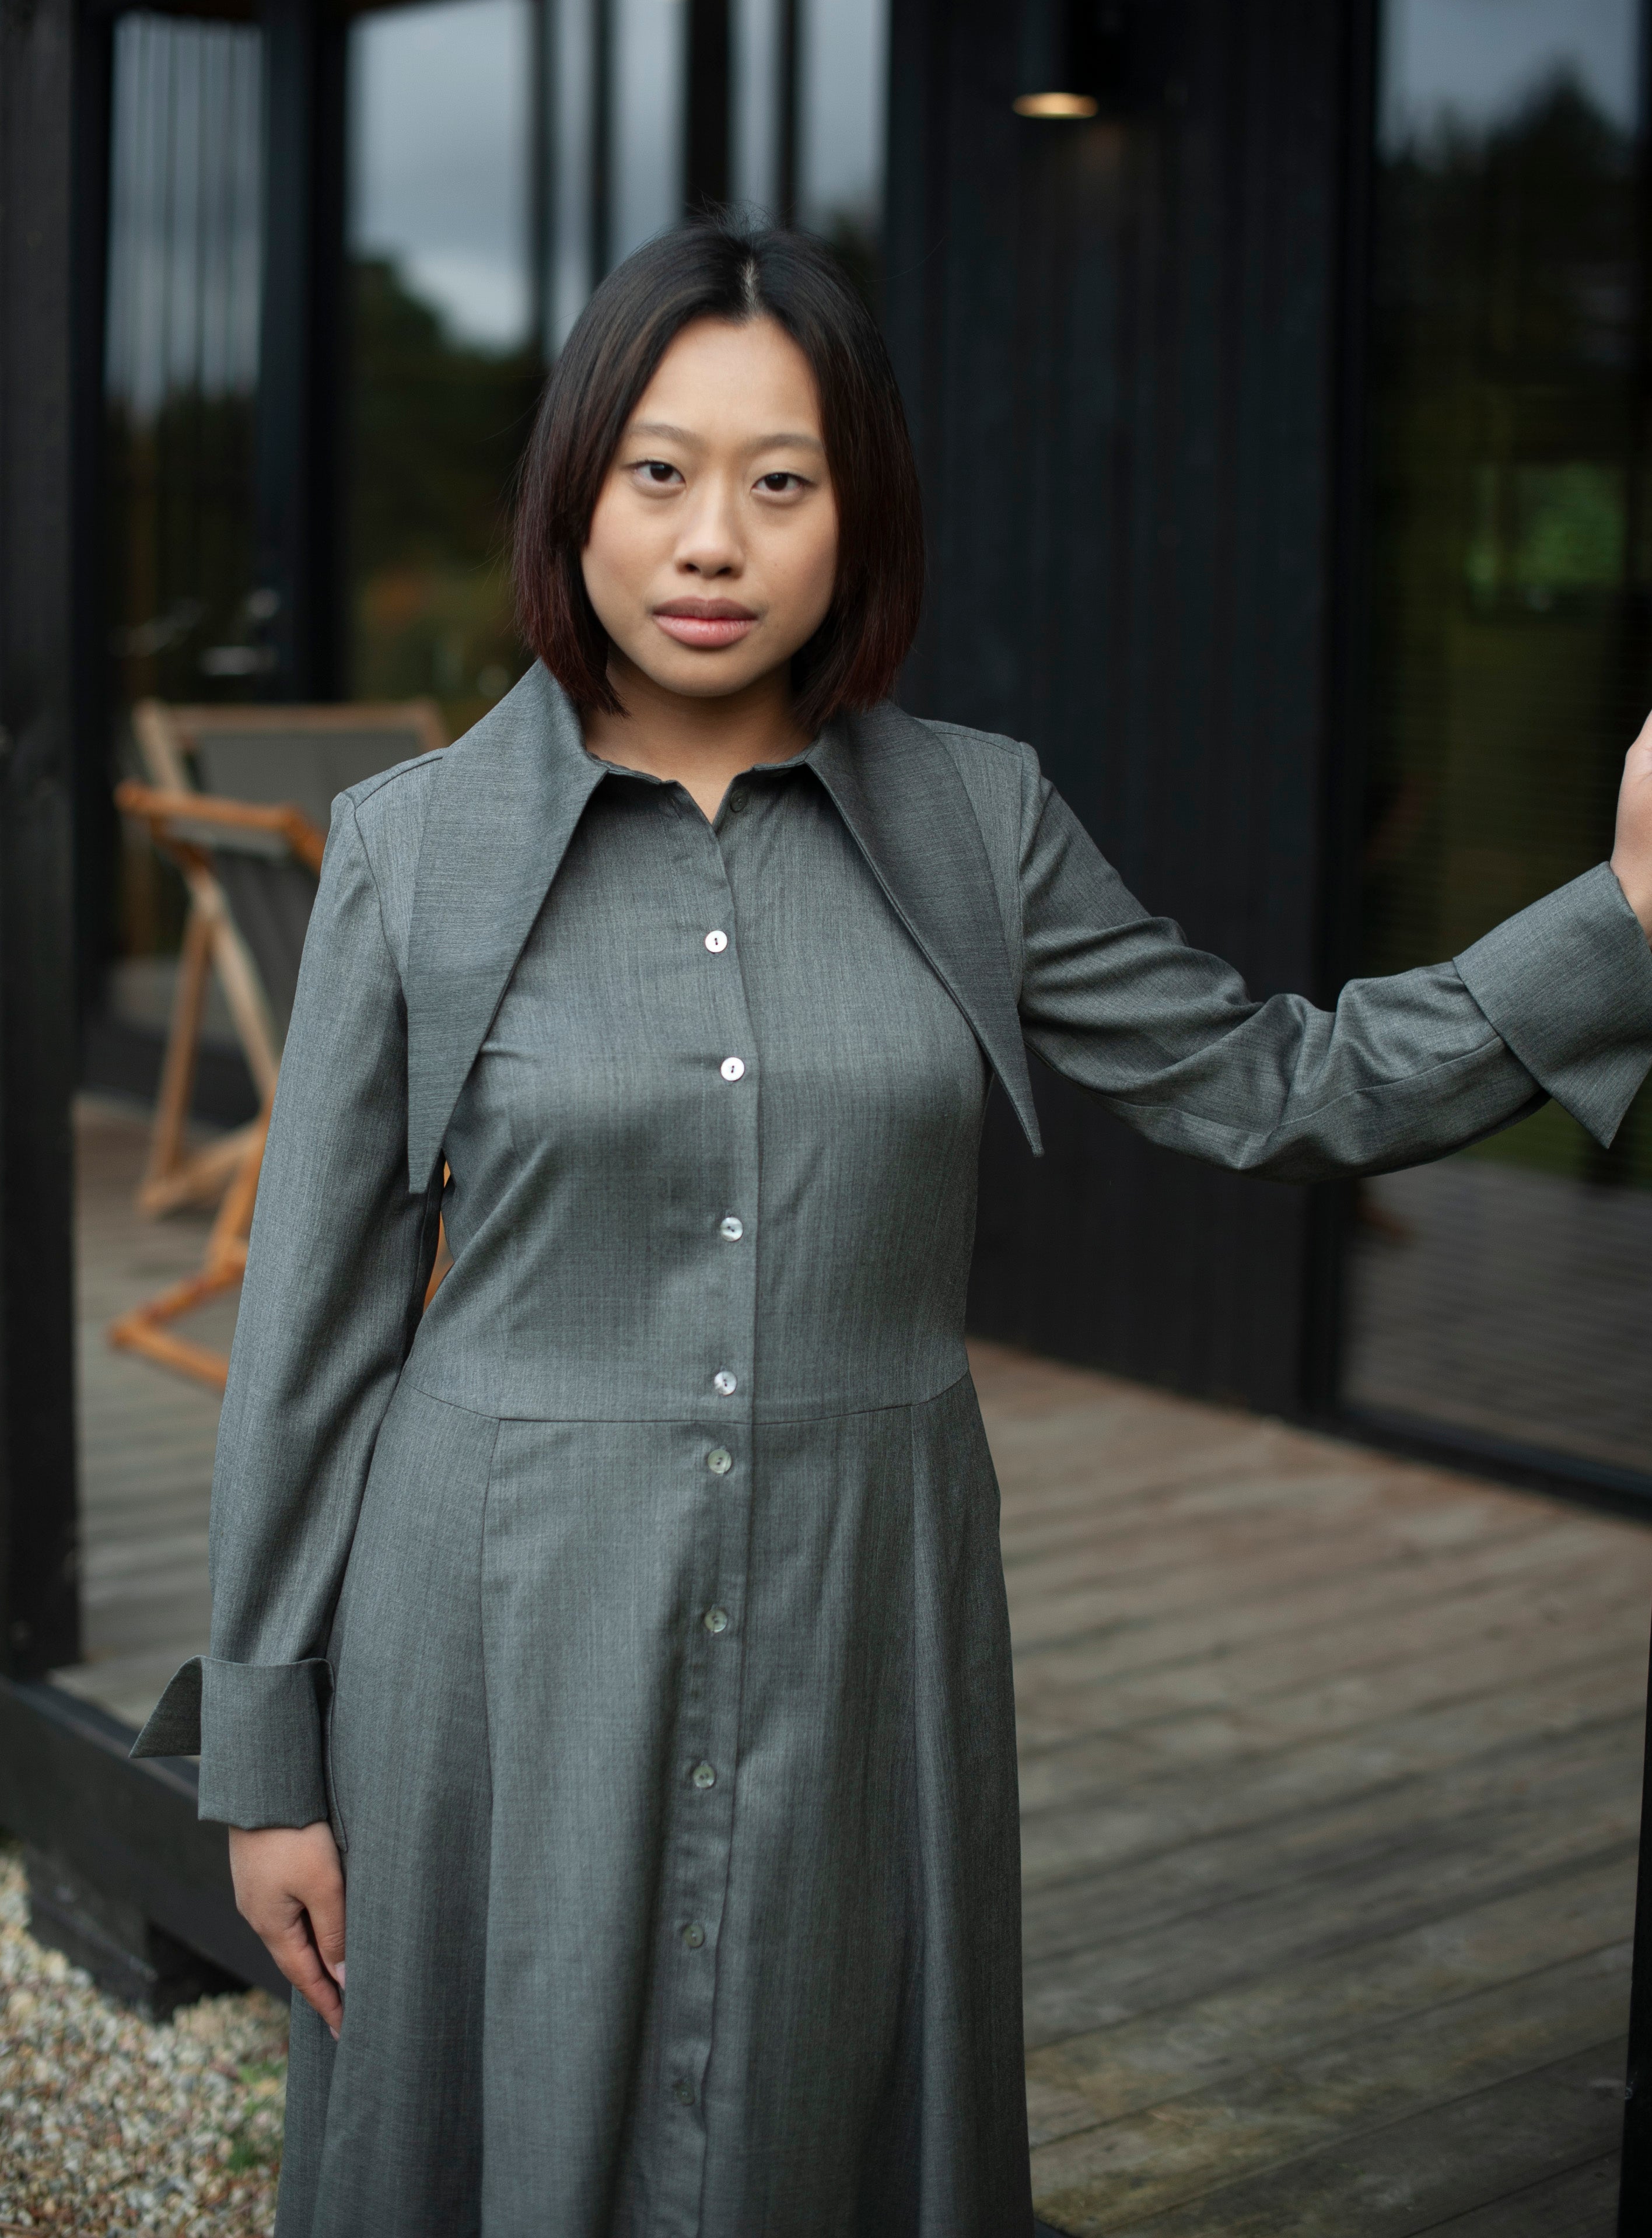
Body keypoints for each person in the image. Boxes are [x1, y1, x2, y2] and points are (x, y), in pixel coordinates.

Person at [134, 214, 1652, 2238]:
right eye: (659, 473)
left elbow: (1282, 1084)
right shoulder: (414, 855)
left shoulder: (977, 823)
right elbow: (309, 1339)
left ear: (858, 518)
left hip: (866, 1624)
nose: (712, 541)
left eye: (783, 482)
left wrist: (1625, 922)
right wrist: (267, 1768)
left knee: (821, 2117)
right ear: (576, 492)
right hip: (492, 1635)